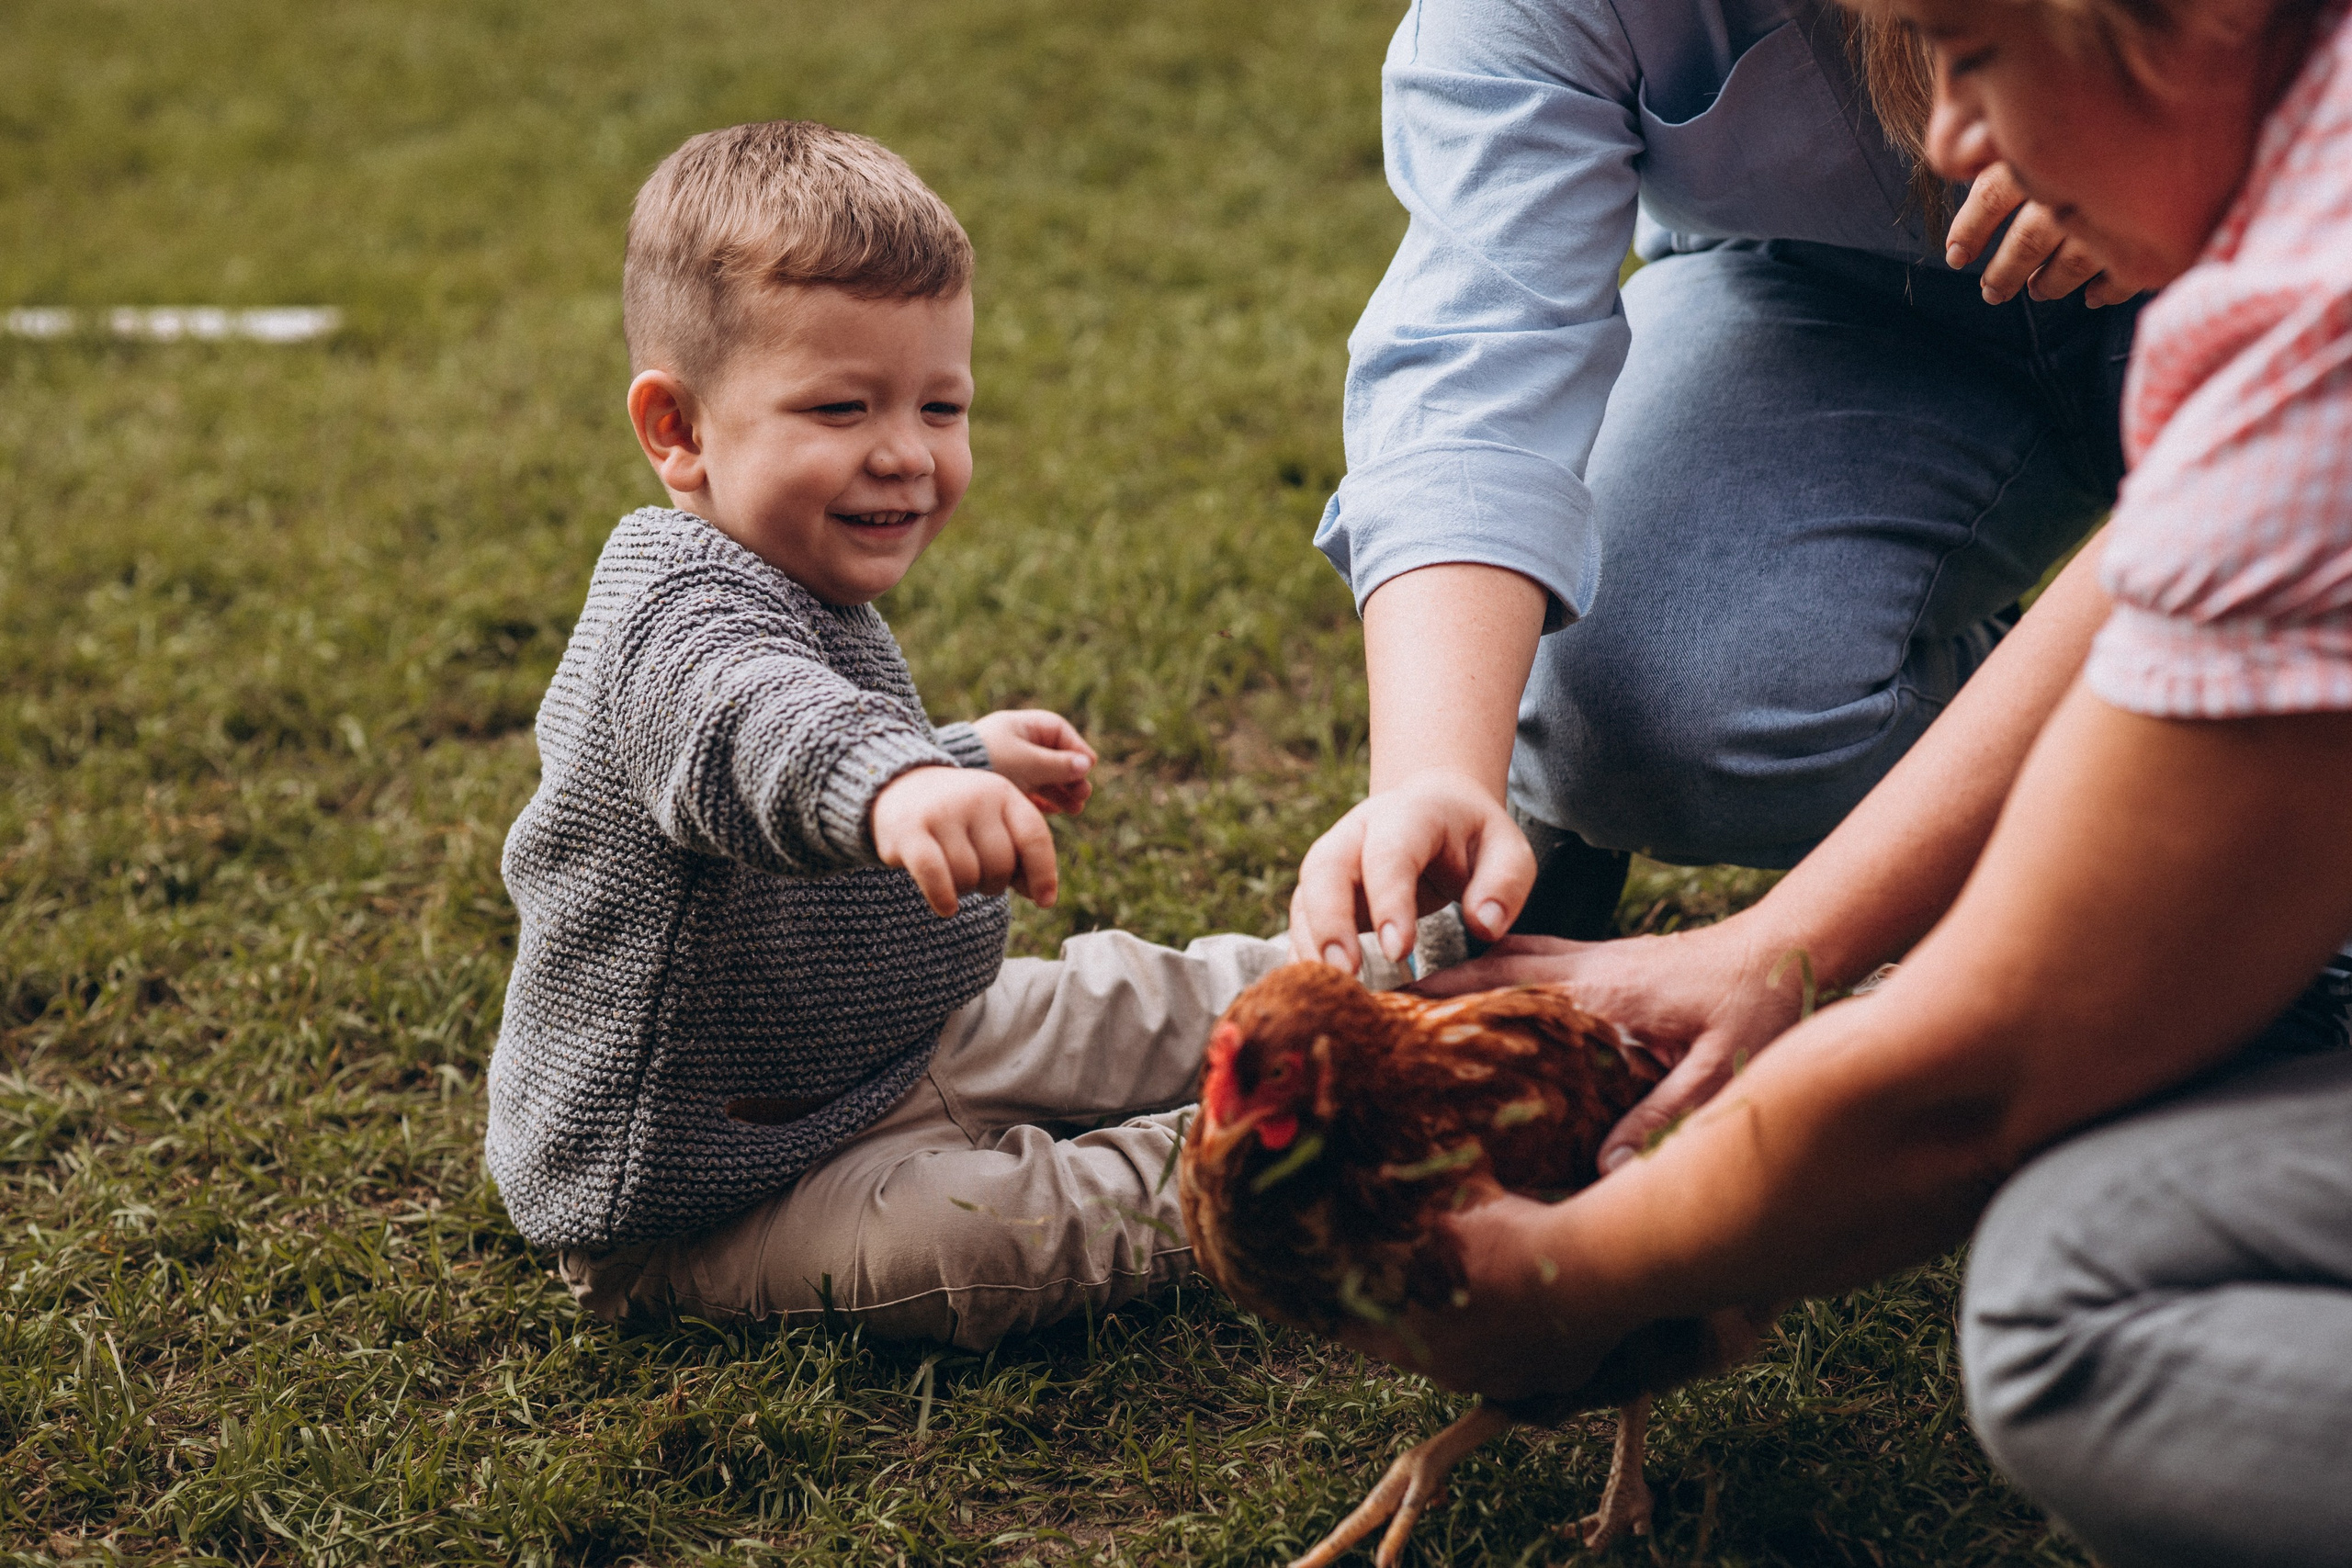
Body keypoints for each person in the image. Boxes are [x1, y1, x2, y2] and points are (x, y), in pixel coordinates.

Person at [1338, 0, 2352, 1559]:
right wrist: (1439, 777)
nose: (1937, 149)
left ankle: (2235, 883)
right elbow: (1469, 351)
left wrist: (1573, 1270)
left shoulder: (2303, 309)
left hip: (2188, 228)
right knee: (2097, 1203)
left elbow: (1965, 1088)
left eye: (1969, 52)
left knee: (2072, 1304)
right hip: (1913, 285)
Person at [483, 120, 1301, 1351]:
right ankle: (1305, 1158)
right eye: (840, 405)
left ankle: (1389, 964)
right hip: (711, 1190)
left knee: (1130, 1000)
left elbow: (800, 767)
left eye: (940, 403)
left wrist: (959, 757)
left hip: (895, 1038)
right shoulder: (668, 612)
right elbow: (751, 730)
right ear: (679, 430)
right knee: (990, 1232)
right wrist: (904, 775)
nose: (906, 452)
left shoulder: (794, 571)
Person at [1287, 0, 2153, 986]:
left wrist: (2163, 125)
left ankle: (2230, 813)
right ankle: (2072, 733)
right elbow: (1473, 349)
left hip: (2255, 244)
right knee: (1625, 705)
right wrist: (1434, 772)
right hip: (1829, 294)